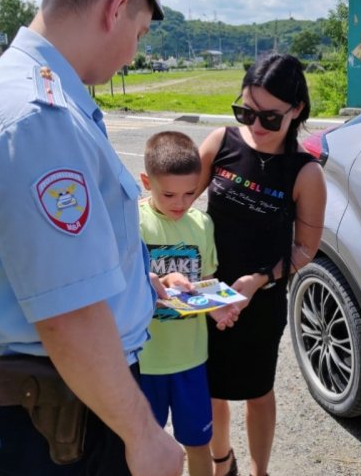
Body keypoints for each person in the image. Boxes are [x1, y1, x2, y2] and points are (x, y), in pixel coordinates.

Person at [0, 0, 189, 475]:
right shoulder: (36, 118)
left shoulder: (39, 98)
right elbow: (69, 314)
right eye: (140, 35)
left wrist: (143, 284)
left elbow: (71, 266)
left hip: (67, 403)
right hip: (66, 424)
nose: (133, 53)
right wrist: (143, 434)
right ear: (116, 10)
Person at [197, 54, 327, 476]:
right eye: (246, 112)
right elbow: (175, 203)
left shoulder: (305, 172)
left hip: (261, 300)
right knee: (210, 388)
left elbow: (306, 248)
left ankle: (259, 471)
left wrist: (260, 280)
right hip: (209, 295)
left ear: (297, 111)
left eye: (270, 118)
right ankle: (222, 463)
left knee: (258, 391)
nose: (255, 126)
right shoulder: (221, 143)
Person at [137, 131, 239, 476]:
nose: (180, 204)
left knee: (197, 443)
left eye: (190, 194)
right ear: (145, 181)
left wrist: (219, 308)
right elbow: (118, 286)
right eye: (168, 194)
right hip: (144, 362)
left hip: (191, 360)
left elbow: (206, 286)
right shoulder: (133, 223)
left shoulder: (202, 224)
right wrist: (161, 281)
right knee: (142, 445)